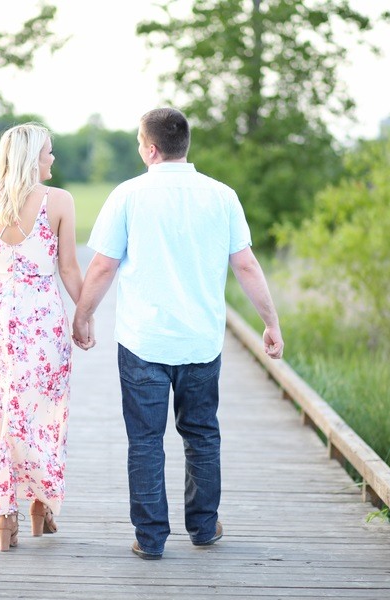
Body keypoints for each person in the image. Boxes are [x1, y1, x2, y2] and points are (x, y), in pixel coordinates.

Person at [71, 107, 284, 560]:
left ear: (150, 148)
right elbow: (245, 264)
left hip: (143, 341)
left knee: (146, 440)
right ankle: (204, 528)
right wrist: (271, 322)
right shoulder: (222, 195)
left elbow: (103, 264)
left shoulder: (128, 195)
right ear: (184, 145)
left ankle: (150, 540)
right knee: (202, 434)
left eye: (137, 143)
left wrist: (83, 315)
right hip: (201, 342)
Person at [0, 123, 87, 552]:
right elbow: (69, 269)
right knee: (45, 412)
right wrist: (85, 315)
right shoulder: (58, 202)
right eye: (49, 152)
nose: (53, 159)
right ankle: (41, 505)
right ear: (32, 157)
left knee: (1, 416)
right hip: (42, 318)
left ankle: (6, 518)